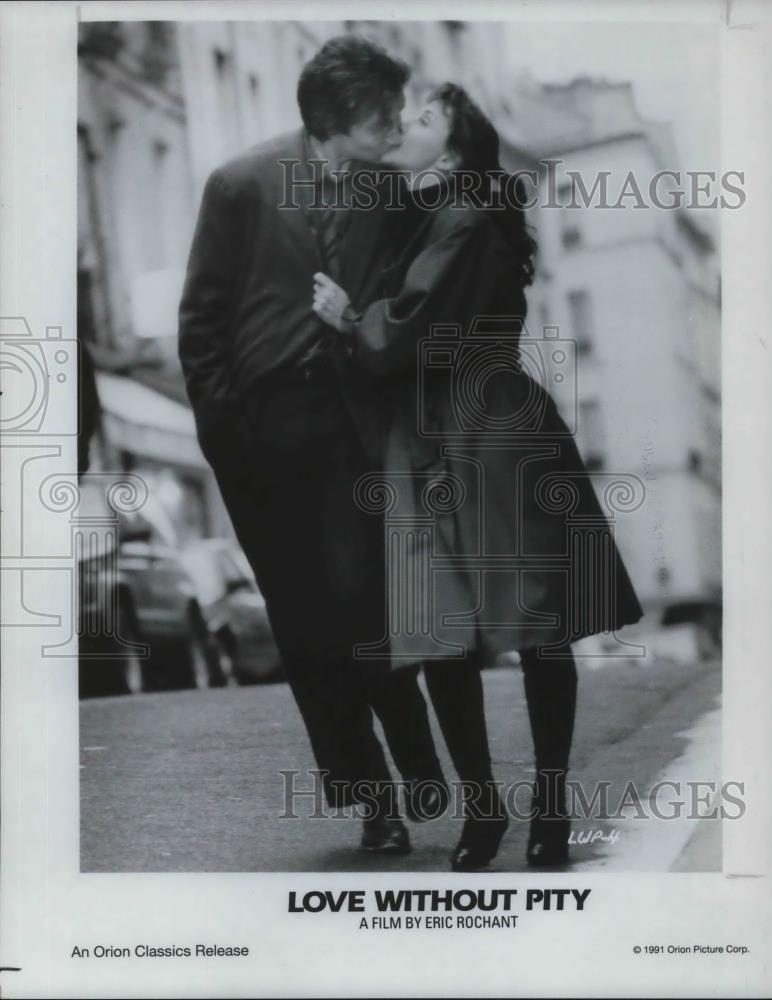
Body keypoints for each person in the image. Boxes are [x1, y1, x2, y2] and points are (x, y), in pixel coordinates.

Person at [312, 82, 644, 870]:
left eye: (421, 119)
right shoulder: (433, 214)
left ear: (454, 149)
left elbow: (403, 331)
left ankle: (512, 813)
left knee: (503, 630)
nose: (403, 125)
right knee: (472, 632)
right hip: (452, 426)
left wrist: (346, 318)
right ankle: (523, 815)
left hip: (476, 425)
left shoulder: (461, 216)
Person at [178, 36, 448, 856]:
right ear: (345, 117)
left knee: (366, 605)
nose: (399, 124)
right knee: (305, 627)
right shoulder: (238, 185)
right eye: (386, 113)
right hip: (265, 435)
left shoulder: (396, 194)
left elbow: (419, 306)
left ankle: (416, 759)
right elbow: (201, 322)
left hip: (356, 431)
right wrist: (227, 432)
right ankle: (373, 801)